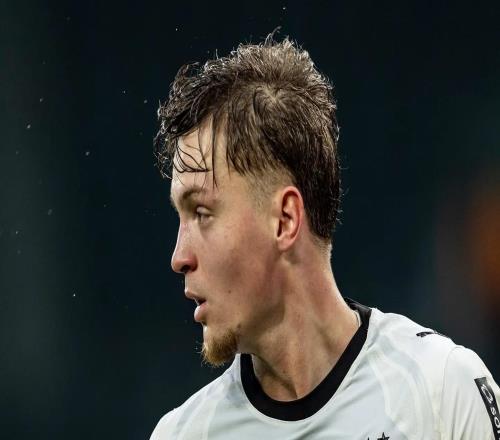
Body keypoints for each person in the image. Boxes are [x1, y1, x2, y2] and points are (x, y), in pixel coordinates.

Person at [150, 33, 500, 439]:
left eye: (202, 213)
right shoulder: (182, 434)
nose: (179, 256)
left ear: (284, 220)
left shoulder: (442, 394)